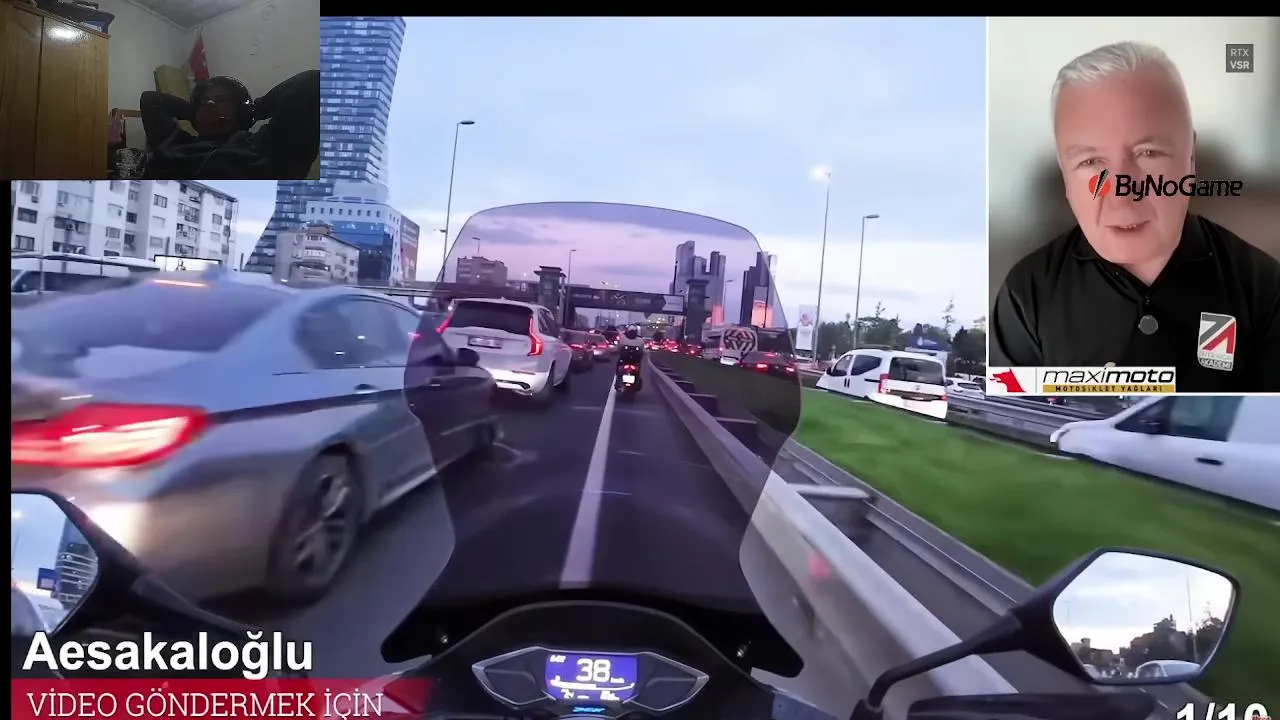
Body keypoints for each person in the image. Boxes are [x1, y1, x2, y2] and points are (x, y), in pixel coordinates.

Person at [990, 42, 1280, 392]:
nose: (1122, 192)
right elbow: (1011, 413)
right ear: (1065, 175)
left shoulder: (1263, 288)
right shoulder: (1027, 293)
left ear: (1190, 158)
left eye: (1148, 153)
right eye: (1090, 162)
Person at [140, 70, 320, 180]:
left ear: (240, 110)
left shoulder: (263, 148)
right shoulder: (175, 143)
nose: (210, 103)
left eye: (222, 100)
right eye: (204, 101)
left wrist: (253, 110)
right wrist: (197, 112)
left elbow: (311, 82)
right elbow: (150, 99)